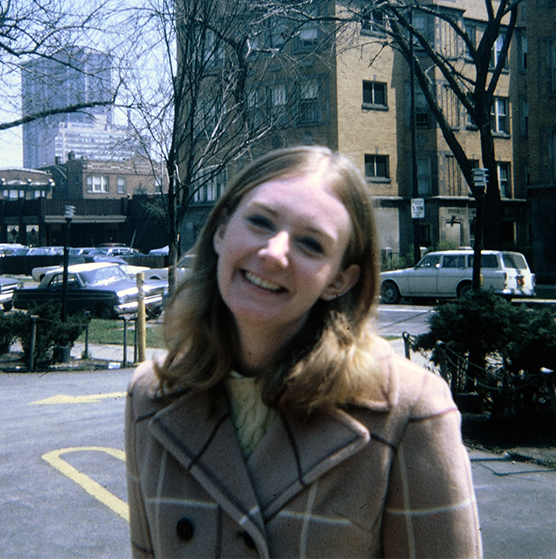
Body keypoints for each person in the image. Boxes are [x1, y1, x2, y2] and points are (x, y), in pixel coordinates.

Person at [124, 146, 481, 558]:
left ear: (340, 281)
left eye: (310, 244)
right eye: (260, 221)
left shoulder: (411, 412)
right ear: (222, 230)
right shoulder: (150, 395)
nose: (274, 253)